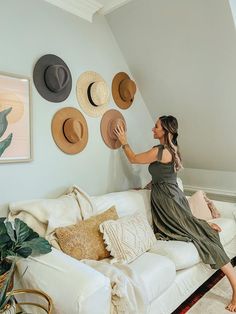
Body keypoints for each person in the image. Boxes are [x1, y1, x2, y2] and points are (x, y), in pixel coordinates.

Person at [114, 115, 236, 312]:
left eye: (156, 127)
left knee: (204, 240)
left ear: (166, 131)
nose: (152, 129)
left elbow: (133, 158)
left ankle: (235, 287)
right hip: (173, 197)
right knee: (196, 231)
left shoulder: (160, 151)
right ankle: (202, 225)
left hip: (170, 202)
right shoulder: (172, 149)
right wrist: (147, 187)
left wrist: (124, 142)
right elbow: (164, 175)